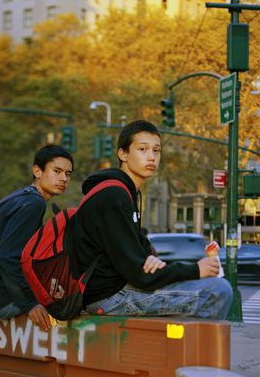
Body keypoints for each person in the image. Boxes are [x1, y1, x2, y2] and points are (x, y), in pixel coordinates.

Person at [67, 119, 233, 319]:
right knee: (217, 291)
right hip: (109, 297)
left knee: (208, 288)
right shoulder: (114, 196)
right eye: (143, 149)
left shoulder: (126, 193)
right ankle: (190, 351)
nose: (151, 157)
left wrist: (150, 258)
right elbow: (140, 275)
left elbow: (139, 251)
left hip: (120, 288)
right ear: (123, 154)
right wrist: (195, 269)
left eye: (156, 150)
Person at [0, 144, 74, 332]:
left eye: (68, 174)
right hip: (0, 299)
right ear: (37, 171)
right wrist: (30, 303)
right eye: (57, 171)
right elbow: (7, 256)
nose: (63, 178)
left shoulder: (21, 196)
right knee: (71, 303)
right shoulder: (33, 204)